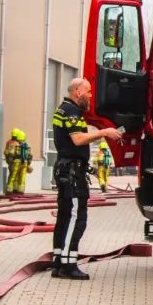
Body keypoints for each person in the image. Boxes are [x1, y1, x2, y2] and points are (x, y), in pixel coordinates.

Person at [51, 78, 121, 280]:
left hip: (66, 170)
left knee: (64, 217)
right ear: (78, 92)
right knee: (76, 217)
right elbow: (77, 139)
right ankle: (68, 265)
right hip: (72, 173)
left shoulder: (63, 109)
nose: (91, 95)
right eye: (88, 92)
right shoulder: (72, 112)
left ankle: (58, 262)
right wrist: (104, 132)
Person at [3, 129, 34, 195]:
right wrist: (28, 163)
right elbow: (31, 155)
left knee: (13, 176)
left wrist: (10, 161)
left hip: (16, 162)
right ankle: (20, 191)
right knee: (22, 177)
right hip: (24, 163)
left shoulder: (13, 144)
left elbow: (11, 153)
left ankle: (9, 191)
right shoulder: (27, 145)